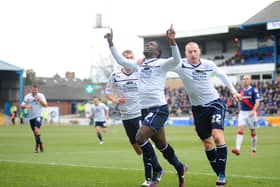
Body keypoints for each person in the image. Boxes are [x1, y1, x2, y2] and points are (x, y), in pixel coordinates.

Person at [105, 25, 188, 187]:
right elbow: (121, 60)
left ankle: (157, 170)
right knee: (161, 145)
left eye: (151, 45)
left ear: (157, 51)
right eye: (146, 44)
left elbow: (177, 60)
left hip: (158, 108)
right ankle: (180, 167)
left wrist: (172, 41)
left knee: (140, 137)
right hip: (146, 110)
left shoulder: (162, 63)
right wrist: (111, 42)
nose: (147, 45)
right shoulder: (140, 66)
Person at [173, 41, 242, 187]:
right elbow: (163, 66)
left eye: (195, 51)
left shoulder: (208, 64)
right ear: (185, 53)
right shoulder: (180, 65)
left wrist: (234, 91)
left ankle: (221, 176)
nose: (192, 54)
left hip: (214, 103)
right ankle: (219, 174)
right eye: (189, 51)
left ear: (199, 52)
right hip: (198, 109)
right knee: (208, 143)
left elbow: (222, 75)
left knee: (217, 136)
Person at [105, 49, 154, 186]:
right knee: (137, 149)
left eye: (130, 57)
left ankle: (149, 178)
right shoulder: (115, 75)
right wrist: (115, 100)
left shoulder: (140, 72)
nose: (128, 59)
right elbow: (108, 92)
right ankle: (152, 155)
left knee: (144, 146)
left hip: (139, 113)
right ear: (122, 59)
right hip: (125, 116)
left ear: (133, 59)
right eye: (125, 57)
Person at [232, 74, 260, 156]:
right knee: (240, 129)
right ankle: (237, 149)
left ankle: (254, 150)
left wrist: (254, 111)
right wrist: (239, 111)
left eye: (247, 79)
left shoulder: (254, 90)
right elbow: (240, 102)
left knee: (253, 131)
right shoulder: (241, 91)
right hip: (243, 113)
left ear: (250, 80)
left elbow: (257, 102)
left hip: (251, 113)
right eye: (244, 79)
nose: (245, 80)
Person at [21, 84, 47, 153]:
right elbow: (22, 106)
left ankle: (37, 147)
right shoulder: (27, 97)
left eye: (36, 90)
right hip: (31, 117)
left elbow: (45, 105)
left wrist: (39, 100)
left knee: (36, 130)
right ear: (31, 89)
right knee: (35, 133)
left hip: (39, 116)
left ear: (37, 90)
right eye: (33, 89)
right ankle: (40, 143)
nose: (34, 91)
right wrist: (26, 106)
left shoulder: (41, 96)